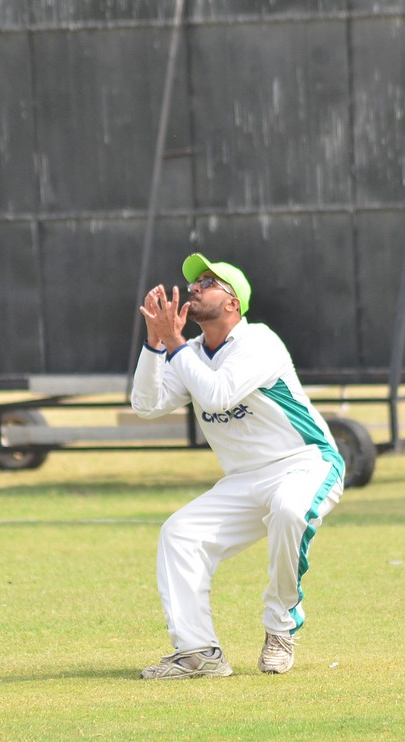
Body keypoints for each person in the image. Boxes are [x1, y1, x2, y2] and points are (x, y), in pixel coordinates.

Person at [131, 252, 345, 679]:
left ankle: (281, 627)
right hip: (245, 480)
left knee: (289, 509)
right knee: (180, 533)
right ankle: (199, 653)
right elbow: (146, 405)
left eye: (208, 282)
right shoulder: (190, 352)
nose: (195, 287)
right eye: (193, 282)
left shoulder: (259, 341)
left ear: (233, 303)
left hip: (305, 462)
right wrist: (155, 344)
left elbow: (217, 396)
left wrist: (173, 345)